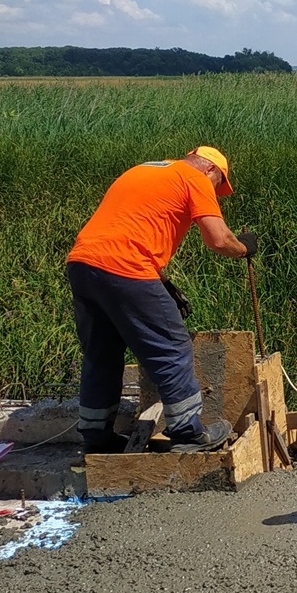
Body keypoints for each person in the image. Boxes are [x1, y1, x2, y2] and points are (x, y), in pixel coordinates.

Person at [67, 146, 257, 455]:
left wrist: (163, 282)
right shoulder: (194, 178)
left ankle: (95, 435)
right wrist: (245, 248)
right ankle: (187, 432)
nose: (215, 192)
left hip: (82, 265)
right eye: (218, 184)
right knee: (171, 346)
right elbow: (220, 240)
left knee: (102, 352)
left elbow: (126, 231)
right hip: (127, 268)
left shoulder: (142, 171)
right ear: (210, 170)